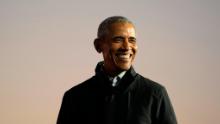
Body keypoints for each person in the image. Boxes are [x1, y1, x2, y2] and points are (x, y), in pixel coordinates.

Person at [57, 16, 177, 124]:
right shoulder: (74, 97)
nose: (126, 47)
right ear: (98, 46)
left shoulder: (155, 94)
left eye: (132, 40)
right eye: (118, 40)